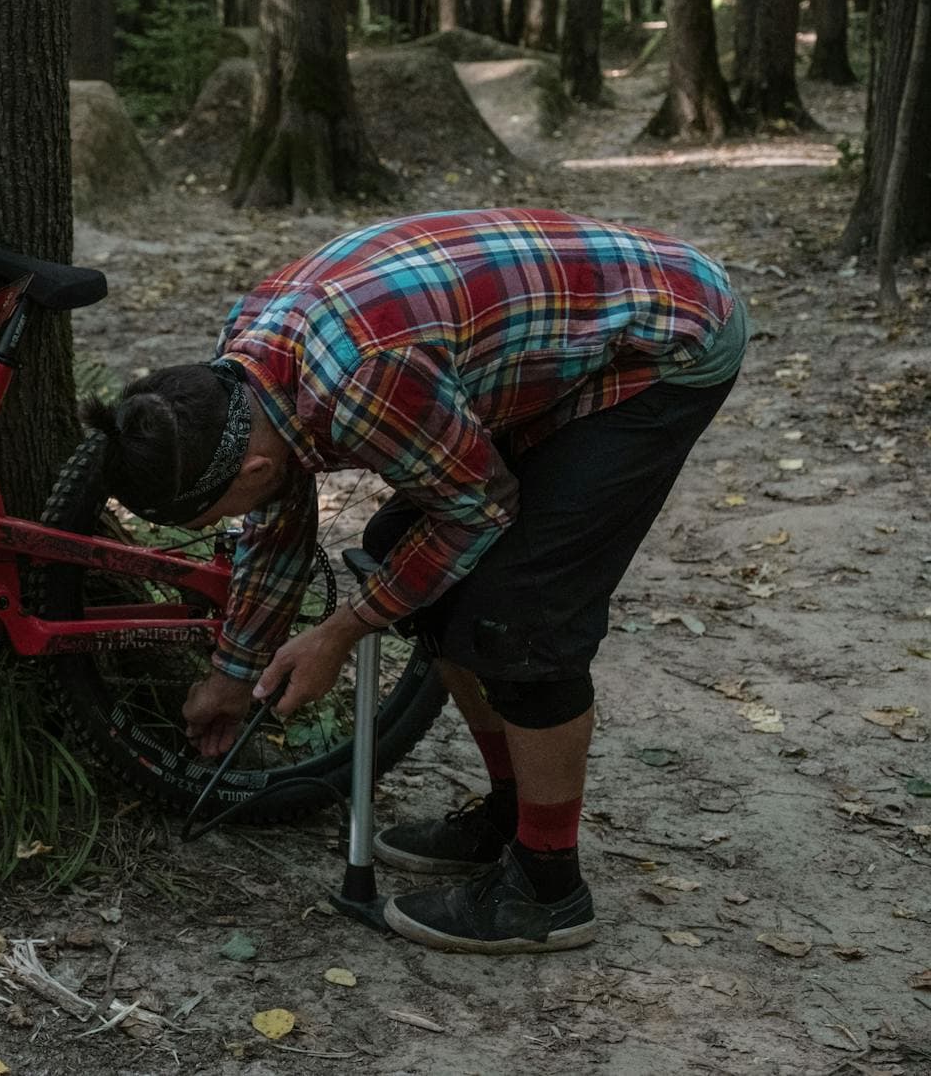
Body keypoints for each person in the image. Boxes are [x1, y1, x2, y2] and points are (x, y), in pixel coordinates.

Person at [81, 208, 744, 955]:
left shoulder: (360, 383)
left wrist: (340, 630)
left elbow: (480, 508)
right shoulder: (236, 373)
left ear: (251, 470)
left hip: (667, 341)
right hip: (550, 330)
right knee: (402, 548)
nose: (223, 526)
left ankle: (549, 886)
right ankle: (510, 810)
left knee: (520, 615)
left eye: (214, 515)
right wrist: (235, 673)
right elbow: (280, 522)